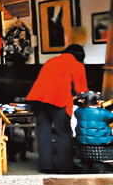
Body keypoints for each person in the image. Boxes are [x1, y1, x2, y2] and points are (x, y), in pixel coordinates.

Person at [26, 44, 88, 174]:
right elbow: (81, 90)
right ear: (80, 56)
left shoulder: (51, 61)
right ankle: (64, 167)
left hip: (37, 99)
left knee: (43, 132)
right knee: (63, 133)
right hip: (58, 100)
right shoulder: (76, 64)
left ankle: (46, 166)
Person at [74, 91, 113, 173]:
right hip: (100, 147)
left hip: (83, 145)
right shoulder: (104, 113)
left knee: (85, 165)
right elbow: (110, 118)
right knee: (98, 165)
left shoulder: (79, 112)